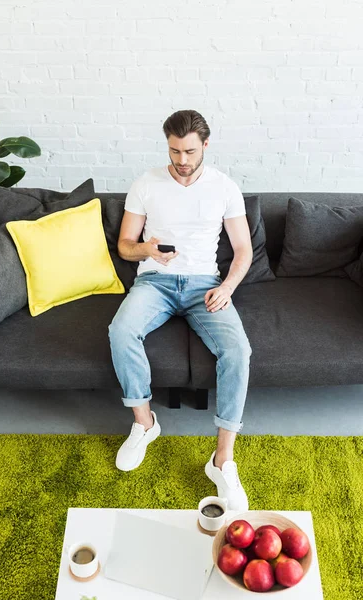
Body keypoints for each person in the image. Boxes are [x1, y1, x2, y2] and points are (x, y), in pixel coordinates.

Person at [108, 109, 253, 510]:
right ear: (167, 145)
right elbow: (125, 245)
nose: (182, 161)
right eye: (175, 151)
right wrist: (147, 250)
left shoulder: (225, 188)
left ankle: (222, 460)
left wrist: (227, 287)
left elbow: (243, 250)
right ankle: (144, 424)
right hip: (154, 281)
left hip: (205, 285)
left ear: (205, 145)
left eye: (190, 151)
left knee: (238, 350)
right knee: (120, 331)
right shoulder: (145, 183)